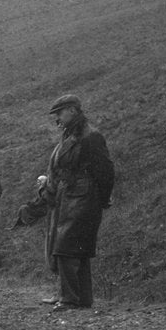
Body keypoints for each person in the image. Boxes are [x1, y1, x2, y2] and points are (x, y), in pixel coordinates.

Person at [41, 94, 115, 312]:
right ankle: (79, 297)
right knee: (73, 246)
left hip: (84, 196)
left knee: (67, 246)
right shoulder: (71, 134)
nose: (57, 119)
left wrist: (102, 199)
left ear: (73, 110)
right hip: (69, 194)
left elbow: (106, 171)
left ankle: (70, 298)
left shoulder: (91, 137)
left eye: (59, 113)